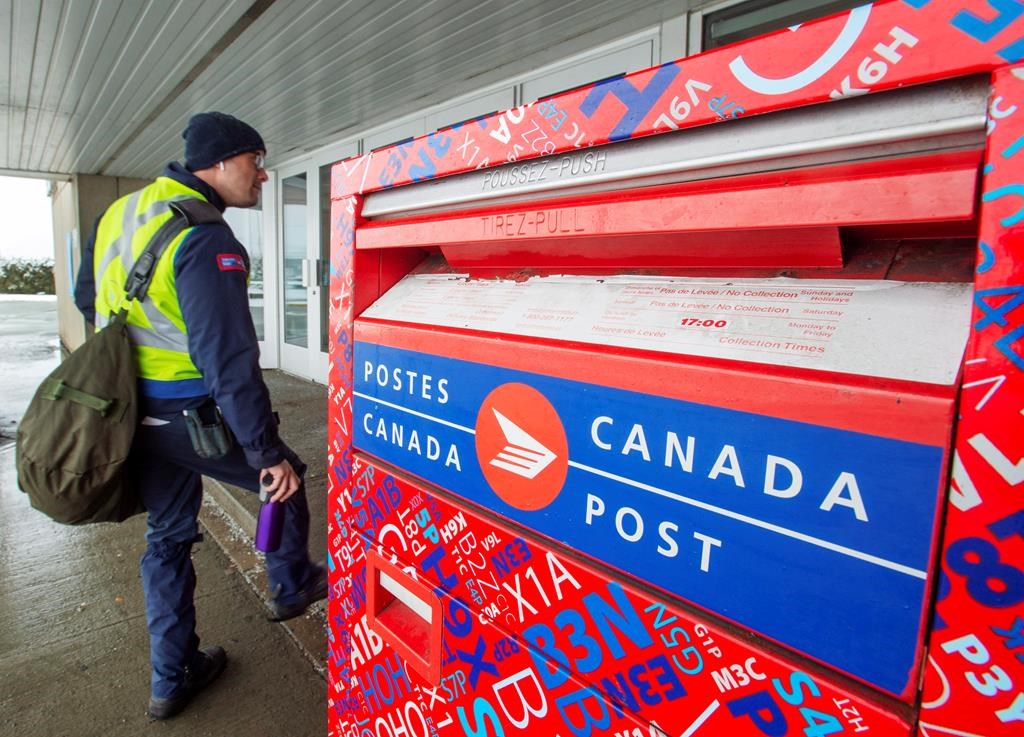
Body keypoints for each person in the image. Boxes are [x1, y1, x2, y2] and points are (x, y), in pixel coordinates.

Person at [74, 112, 326, 720]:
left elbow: (88, 297)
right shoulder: (205, 235)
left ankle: (173, 674)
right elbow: (230, 362)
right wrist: (264, 452)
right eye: (255, 161)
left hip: (132, 411)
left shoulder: (123, 212)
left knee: (166, 537)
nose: (262, 176)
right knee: (284, 484)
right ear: (217, 163)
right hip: (189, 412)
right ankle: (291, 586)